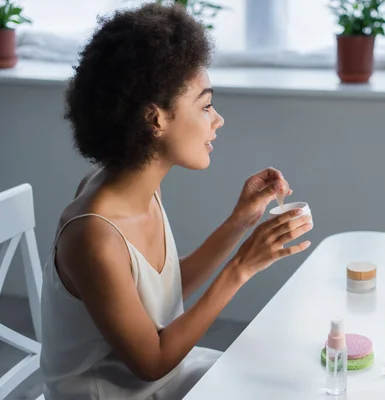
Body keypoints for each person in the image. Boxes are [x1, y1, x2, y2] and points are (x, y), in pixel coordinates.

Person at [38, 3, 313, 399]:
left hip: (166, 378)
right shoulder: (93, 236)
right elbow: (151, 362)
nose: (217, 119)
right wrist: (241, 266)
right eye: (205, 105)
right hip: (118, 393)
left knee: (281, 377)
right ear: (155, 120)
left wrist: (240, 222)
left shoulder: (141, 188)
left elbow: (163, 295)